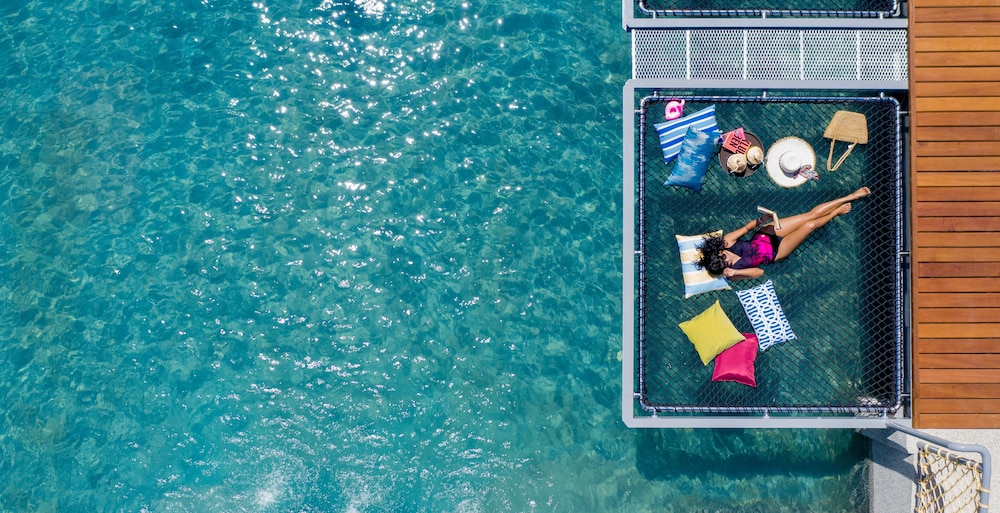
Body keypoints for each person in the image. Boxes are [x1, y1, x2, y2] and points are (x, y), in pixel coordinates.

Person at [696, 187, 870, 280]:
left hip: (766, 234)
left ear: (719, 252)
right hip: (776, 252)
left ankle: (850, 196)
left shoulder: (727, 242)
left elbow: (746, 229)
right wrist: (735, 273)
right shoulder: (733, 272)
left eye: (723, 256)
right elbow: (759, 273)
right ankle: (835, 213)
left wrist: (761, 220)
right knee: (810, 226)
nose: (727, 259)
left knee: (810, 216)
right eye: (726, 263)